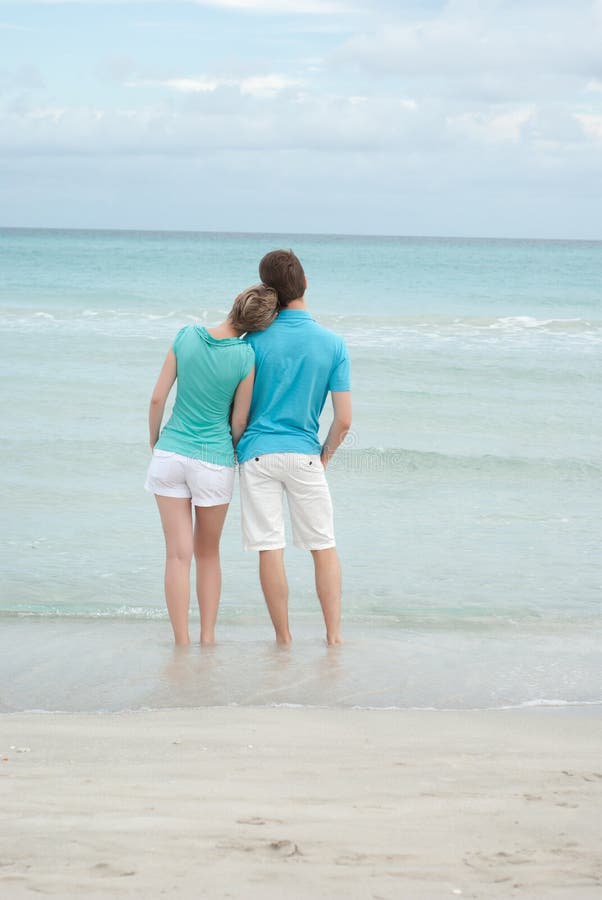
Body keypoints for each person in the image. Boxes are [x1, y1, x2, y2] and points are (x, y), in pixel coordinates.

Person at [145, 285, 278, 646]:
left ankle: (181, 642)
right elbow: (239, 421)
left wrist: (155, 441)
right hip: (213, 461)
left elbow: (158, 397)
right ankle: (206, 639)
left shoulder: (186, 336)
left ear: (236, 302)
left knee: (176, 555)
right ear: (259, 326)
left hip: (170, 455)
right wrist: (231, 451)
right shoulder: (245, 357)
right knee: (207, 554)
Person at [237, 250, 352, 645]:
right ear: (305, 283)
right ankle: (334, 638)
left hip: (256, 453)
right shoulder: (332, 344)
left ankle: (284, 639)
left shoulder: (251, 341)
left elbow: (239, 405)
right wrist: (323, 458)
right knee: (323, 546)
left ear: (269, 290)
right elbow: (344, 420)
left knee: (270, 548)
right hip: (305, 455)